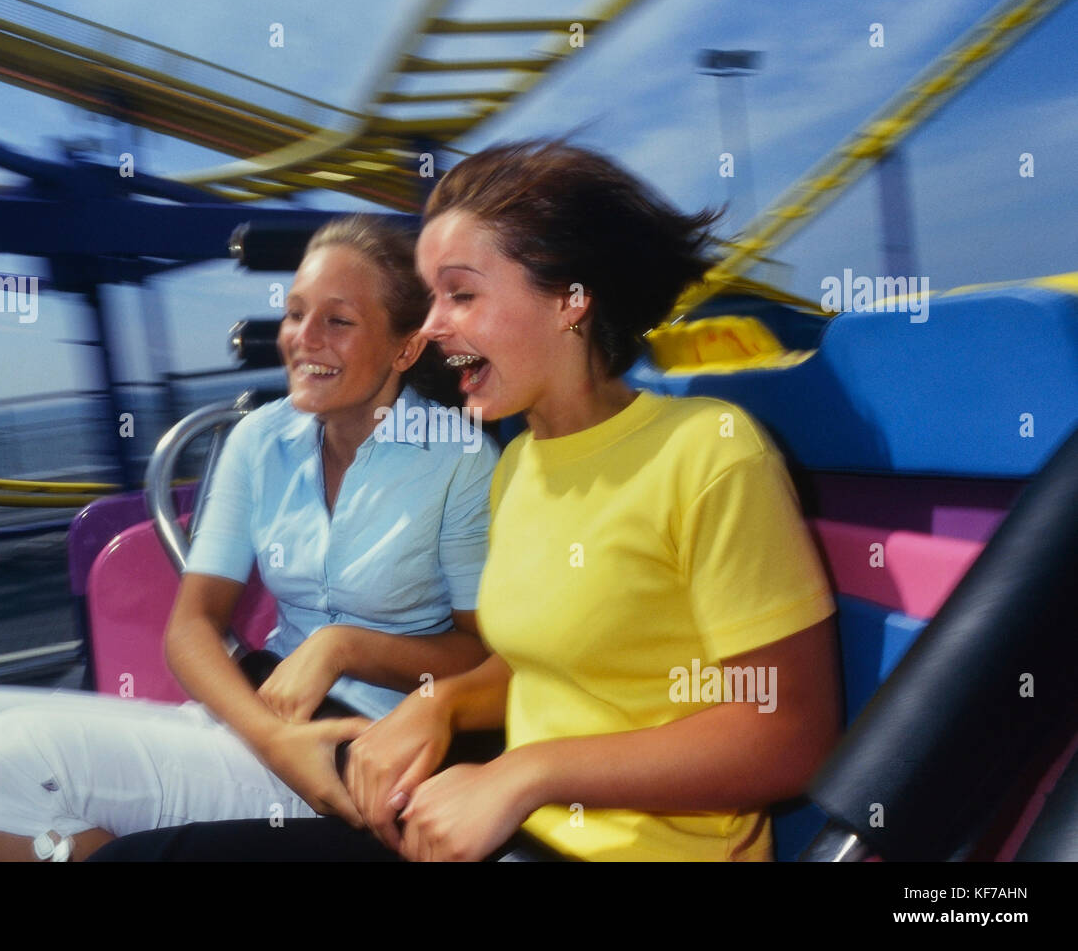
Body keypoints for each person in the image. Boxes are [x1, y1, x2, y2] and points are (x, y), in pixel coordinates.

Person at [93, 139, 841, 862]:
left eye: (461, 294)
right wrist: (439, 705)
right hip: (500, 828)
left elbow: (789, 736)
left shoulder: (709, 450)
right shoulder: (520, 464)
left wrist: (526, 773)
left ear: (570, 301)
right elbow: (532, 670)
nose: (433, 325)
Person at [0, 214, 499, 861]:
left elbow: (481, 655)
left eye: (338, 321)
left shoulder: (458, 460)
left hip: (364, 746)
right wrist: (269, 738)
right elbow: (190, 626)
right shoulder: (258, 439)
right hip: (262, 717)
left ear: (405, 349)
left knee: (0, 778)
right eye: (296, 313)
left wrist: (344, 645)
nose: (303, 339)